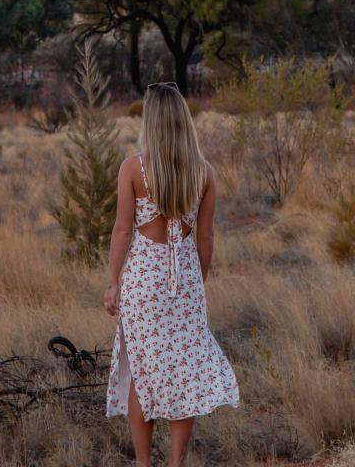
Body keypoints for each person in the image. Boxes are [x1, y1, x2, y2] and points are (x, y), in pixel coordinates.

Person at [103, 81, 240, 466]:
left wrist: (113, 282)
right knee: (184, 370)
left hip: (144, 278)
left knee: (140, 372)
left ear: (152, 121)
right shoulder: (204, 172)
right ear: (182, 120)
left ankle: (144, 463)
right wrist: (198, 281)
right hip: (185, 280)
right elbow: (206, 236)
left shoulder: (133, 168)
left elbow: (123, 230)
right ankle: (176, 463)